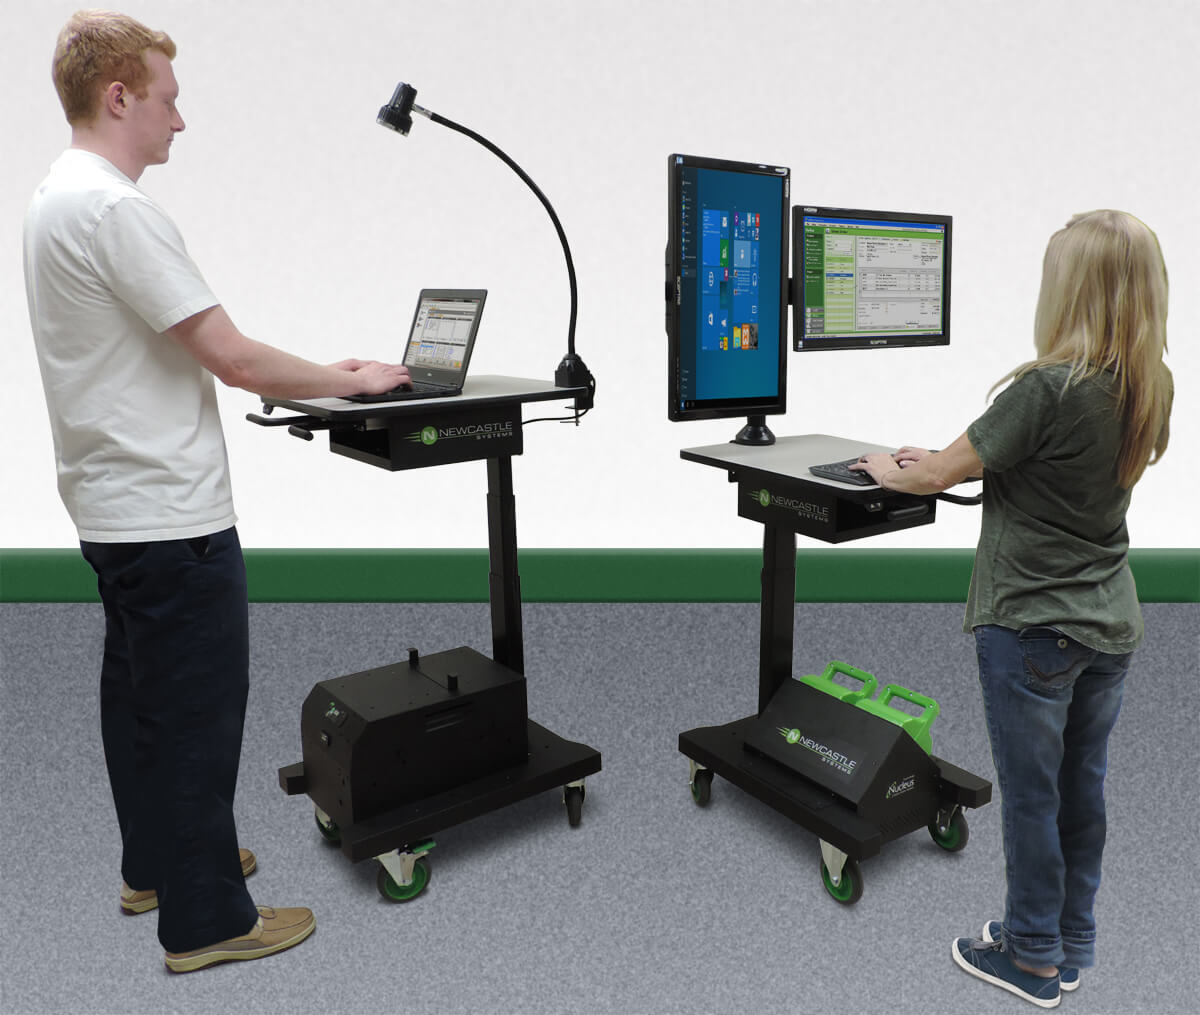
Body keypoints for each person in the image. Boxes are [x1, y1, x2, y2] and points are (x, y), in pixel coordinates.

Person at [23, 11, 411, 973]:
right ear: (118, 95)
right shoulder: (115, 209)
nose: (179, 122)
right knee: (197, 712)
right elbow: (231, 356)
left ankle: (157, 864)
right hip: (169, 516)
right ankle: (206, 918)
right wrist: (347, 377)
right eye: (168, 98)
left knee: (141, 698)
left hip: (112, 507)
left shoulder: (53, 197)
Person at [851, 209, 1172, 1008]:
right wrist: (949, 463)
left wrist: (887, 466)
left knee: (1032, 798)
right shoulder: (1147, 381)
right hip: (1108, 623)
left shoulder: (1047, 388)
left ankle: (1030, 958)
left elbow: (934, 474)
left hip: (1032, 625)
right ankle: (1066, 938)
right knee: (1079, 790)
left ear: (1071, 290)